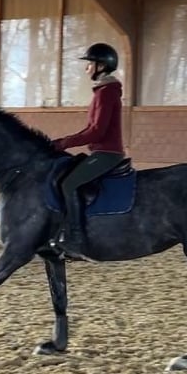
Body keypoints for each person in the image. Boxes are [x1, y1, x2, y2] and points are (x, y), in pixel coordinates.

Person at [51, 42, 126, 260]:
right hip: (101, 152)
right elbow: (91, 129)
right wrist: (63, 142)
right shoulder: (103, 91)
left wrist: (63, 143)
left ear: (101, 65)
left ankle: (75, 239)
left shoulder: (106, 92)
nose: (87, 69)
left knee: (69, 183)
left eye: (89, 64)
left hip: (107, 153)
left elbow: (96, 132)